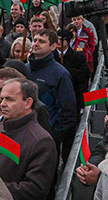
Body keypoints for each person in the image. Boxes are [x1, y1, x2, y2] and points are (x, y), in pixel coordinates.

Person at [26, 28, 76, 161]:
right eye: (35, 40)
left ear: (53, 46)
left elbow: (68, 113)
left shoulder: (60, 74)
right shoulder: (25, 69)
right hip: (24, 135)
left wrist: (51, 135)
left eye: (41, 41)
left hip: (46, 139)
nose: (36, 43)